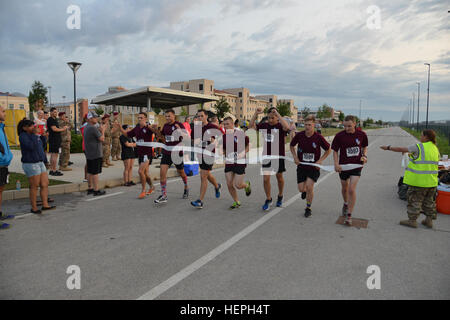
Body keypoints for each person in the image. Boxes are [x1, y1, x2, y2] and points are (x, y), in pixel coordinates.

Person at [380, 129, 440, 228]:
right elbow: (423, 159)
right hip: (432, 182)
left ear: (426, 137)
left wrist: (388, 147)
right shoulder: (435, 148)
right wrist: (409, 155)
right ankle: (429, 220)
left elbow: (401, 148)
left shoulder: (419, 146)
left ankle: (412, 221)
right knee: (429, 202)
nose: (420, 137)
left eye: (421, 135)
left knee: (414, 201)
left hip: (419, 182)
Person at [290, 115, 331, 217]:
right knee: (301, 189)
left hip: (313, 167)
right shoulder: (299, 135)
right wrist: (295, 157)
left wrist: (320, 161)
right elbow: (291, 145)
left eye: (309, 125)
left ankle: (308, 207)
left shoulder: (318, 137)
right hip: (302, 167)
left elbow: (328, 149)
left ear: (314, 125)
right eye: (305, 125)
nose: (307, 127)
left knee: (309, 186)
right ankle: (304, 192)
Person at [250, 107, 290, 210]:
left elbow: (287, 127)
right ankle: (268, 199)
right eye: (269, 118)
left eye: (273, 118)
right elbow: (251, 126)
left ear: (277, 118)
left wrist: (277, 113)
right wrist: (256, 113)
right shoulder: (264, 126)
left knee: (279, 177)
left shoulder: (280, 126)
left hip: (278, 156)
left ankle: (280, 195)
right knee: (265, 179)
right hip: (267, 156)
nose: (271, 120)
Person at [331, 115, 368, 226]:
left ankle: (349, 215)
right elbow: (335, 151)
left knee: (351, 189)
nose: (347, 128)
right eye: (345, 126)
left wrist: (364, 156)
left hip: (356, 166)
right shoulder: (339, 136)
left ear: (355, 124)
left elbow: (364, 147)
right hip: (343, 166)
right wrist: (336, 164)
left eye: (349, 126)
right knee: (344, 188)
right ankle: (346, 203)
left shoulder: (362, 135)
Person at [18, 119, 55, 214]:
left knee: (44, 183)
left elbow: (41, 148)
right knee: (34, 186)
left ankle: (45, 204)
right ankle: (34, 207)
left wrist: (42, 136)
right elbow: (30, 147)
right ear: (24, 128)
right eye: (30, 126)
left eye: (33, 125)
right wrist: (35, 135)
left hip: (40, 162)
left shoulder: (34, 136)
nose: (33, 127)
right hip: (31, 163)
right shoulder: (23, 136)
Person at [116, 112, 156, 199]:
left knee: (140, 171)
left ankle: (143, 190)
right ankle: (152, 186)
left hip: (147, 153)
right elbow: (127, 134)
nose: (140, 119)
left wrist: (152, 128)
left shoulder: (148, 127)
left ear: (145, 119)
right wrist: (120, 128)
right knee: (145, 173)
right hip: (140, 153)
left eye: (141, 118)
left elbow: (156, 132)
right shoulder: (137, 128)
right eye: (139, 118)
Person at [153, 109, 190, 203]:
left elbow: (187, 138)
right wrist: (155, 130)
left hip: (177, 153)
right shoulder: (165, 126)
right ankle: (164, 194)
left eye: (169, 116)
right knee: (162, 172)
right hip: (167, 152)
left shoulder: (179, 125)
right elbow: (162, 137)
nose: (167, 118)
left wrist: (179, 131)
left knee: (181, 172)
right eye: (166, 116)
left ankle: (186, 186)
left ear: (174, 116)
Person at [190, 109, 222, 209]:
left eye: (201, 116)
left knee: (203, 176)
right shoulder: (196, 128)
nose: (200, 118)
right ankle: (217, 186)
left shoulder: (212, 127)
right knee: (207, 175)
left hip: (209, 154)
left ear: (206, 116)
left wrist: (214, 141)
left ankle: (200, 201)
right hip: (200, 154)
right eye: (198, 116)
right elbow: (192, 140)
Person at [221, 117, 251, 209]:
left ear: (232, 124)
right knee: (229, 184)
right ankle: (236, 201)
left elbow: (248, 146)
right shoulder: (224, 136)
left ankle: (246, 185)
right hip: (229, 162)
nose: (226, 126)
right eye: (224, 124)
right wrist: (224, 154)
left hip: (240, 162)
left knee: (238, 185)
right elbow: (224, 148)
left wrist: (243, 153)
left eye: (227, 124)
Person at [84, 111, 106, 196]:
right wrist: (103, 130)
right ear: (90, 118)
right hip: (95, 153)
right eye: (95, 117)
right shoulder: (92, 128)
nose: (96, 119)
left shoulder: (87, 127)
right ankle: (96, 190)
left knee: (90, 171)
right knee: (95, 173)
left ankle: (90, 188)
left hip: (89, 153)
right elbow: (102, 139)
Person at [0, 105, 14, 229]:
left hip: (3, 165)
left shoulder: (1, 127)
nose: (5, 113)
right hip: (0, 164)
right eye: (3, 111)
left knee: (1, 190)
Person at [47, 107, 68, 176]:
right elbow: (54, 129)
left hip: (55, 139)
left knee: (54, 154)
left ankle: (52, 170)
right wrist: (63, 129)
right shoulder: (50, 119)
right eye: (54, 112)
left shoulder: (54, 119)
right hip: (54, 140)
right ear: (51, 112)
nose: (56, 113)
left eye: (56, 112)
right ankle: (53, 170)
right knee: (54, 155)